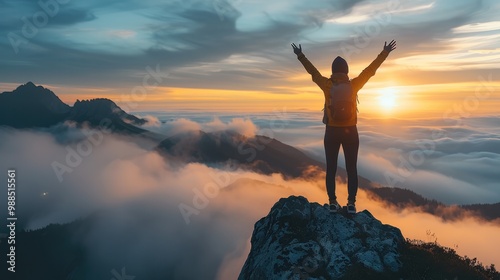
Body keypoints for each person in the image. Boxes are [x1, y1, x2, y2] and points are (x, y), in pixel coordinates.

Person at [291, 40, 397, 213]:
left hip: (331, 132)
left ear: (333, 71)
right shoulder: (354, 85)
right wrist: (384, 52)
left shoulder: (327, 85)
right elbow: (370, 71)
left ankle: (333, 202)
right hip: (351, 133)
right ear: (346, 71)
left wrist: (300, 55)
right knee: (351, 169)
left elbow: (313, 71)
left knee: (331, 168)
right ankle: (351, 204)